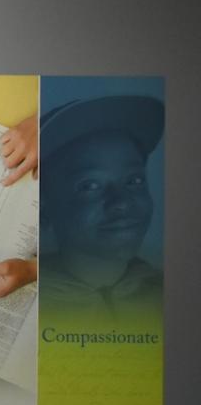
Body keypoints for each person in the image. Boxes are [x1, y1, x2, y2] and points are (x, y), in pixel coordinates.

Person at [38, 94, 163, 319]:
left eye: (134, 181)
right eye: (90, 185)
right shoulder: (32, 302)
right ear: (45, 208)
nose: (122, 202)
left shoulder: (174, 299)